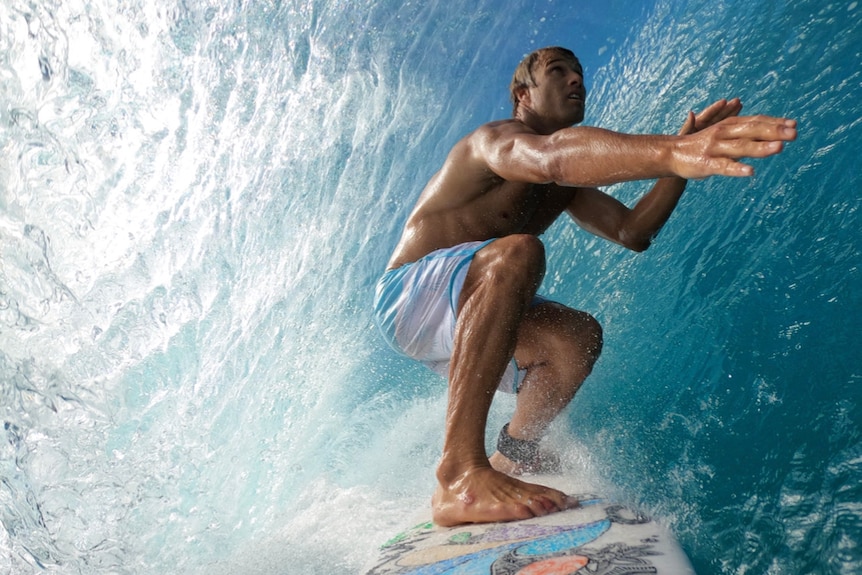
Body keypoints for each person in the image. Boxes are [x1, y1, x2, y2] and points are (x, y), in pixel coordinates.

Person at [373, 46, 796, 527]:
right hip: (409, 296)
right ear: (522, 94)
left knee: (576, 337)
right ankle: (458, 475)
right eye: (559, 72)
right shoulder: (493, 141)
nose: (576, 80)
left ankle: (513, 456)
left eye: (579, 72)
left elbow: (632, 231)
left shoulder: (565, 186)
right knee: (519, 252)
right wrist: (674, 150)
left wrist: (679, 165)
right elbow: (552, 158)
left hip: (464, 313)